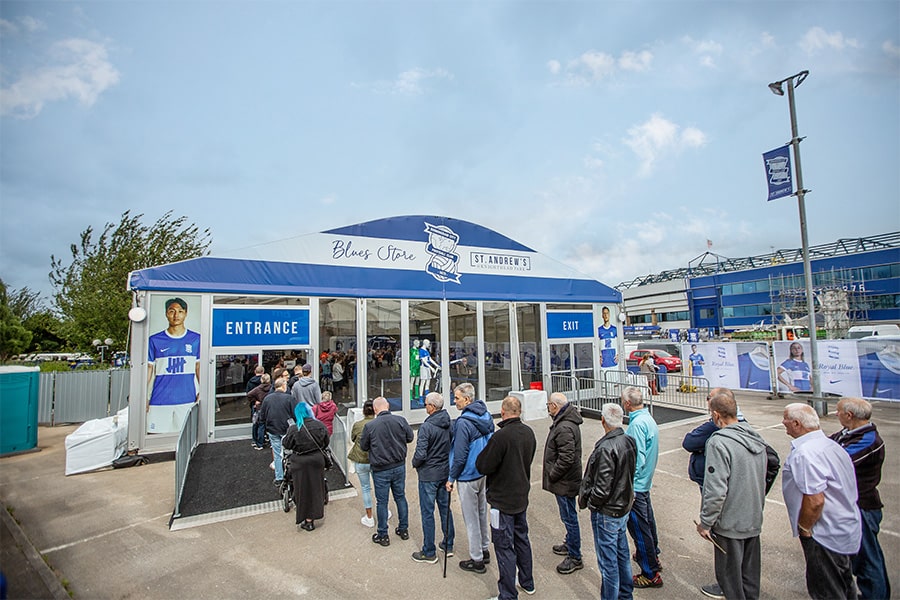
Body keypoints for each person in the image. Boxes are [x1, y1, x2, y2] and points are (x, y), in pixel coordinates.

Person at [781, 402, 861, 600]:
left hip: (824, 534)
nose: (783, 423)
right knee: (844, 584)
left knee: (827, 590)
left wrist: (805, 528)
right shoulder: (830, 445)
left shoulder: (806, 453)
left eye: (786, 419)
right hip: (843, 528)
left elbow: (815, 500)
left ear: (797, 424)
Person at [695, 389, 769, 600]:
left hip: (729, 524)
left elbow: (716, 489)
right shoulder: (756, 438)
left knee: (730, 581)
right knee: (750, 578)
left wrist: (706, 522)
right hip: (752, 519)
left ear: (716, 415)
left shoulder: (719, 442)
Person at [475, 396, 537, 599]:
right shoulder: (528, 433)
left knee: (503, 546)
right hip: (521, 496)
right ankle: (527, 582)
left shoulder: (501, 437)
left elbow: (483, 465)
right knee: (522, 539)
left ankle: (508, 594)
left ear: (503, 412)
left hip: (502, 500)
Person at [829, 398, 891, 600]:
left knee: (867, 560)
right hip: (850, 505)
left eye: (838, 411)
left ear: (849, 415)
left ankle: (875, 596)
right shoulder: (847, 434)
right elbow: (826, 445)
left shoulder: (869, 441)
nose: (835, 414)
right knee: (857, 557)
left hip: (862, 507)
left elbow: (838, 462)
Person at [579, 403, 636, 600]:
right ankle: (626, 595)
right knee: (622, 556)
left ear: (603, 420)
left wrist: (592, 504)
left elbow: (602, 487)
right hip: (622, 507)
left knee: (609, 563)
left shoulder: (606, 448)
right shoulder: (629, 441)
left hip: (608, 512)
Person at [446, 382, 495, 574]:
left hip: (468, 475)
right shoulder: (486, 415)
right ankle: (484, 548)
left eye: (457, 398)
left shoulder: (463, 423)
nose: (454, 401)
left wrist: (451, 477)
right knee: (482, 511)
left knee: (471, 517)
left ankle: (477, 559)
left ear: (467, 399)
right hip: (483, 472)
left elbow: (459, 455)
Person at [359, 396, 414, 547]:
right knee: (400, 497)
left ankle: (383, 535)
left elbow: (363, 446)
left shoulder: (370, 426)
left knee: (382, 502)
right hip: (398, 466)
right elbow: (410, 437)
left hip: (380, 469)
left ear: (375, 409)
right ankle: (403, 530)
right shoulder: (400, 421)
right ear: (388, 406)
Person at [622, 386, 663, 588]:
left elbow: (637, 458)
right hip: (644, 483)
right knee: (648, 523)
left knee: (639, 528)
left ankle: (650, 572)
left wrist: (629, 484)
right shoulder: (647, 418)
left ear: (628, 404)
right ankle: (653, 555)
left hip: (636, 485)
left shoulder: (637, 424)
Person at [542, 392, 584, 575]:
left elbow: (567, 458)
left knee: (569, 517)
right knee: (568, 515)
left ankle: (575, 556)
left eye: (548, 404)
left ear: (555, 406)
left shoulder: (565, 427)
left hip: (565, 482)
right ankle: (570, 543)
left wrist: (553, 473)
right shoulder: (565, 422)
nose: (548, 408)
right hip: (566, 480)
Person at [410, 392, 455, 564]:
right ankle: (448, 544)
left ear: (432, 407)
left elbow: (420, 454)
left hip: (428, 474)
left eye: (427, 404)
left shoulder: (426, 427)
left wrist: (415, 463)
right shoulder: (448, 423)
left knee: (427, 512)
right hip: (443, 471)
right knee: (445, 508)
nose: (425, 406)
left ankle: (429, 551)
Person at [147, 297, 201, 434]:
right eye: (172, 311)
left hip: (187, 398)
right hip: (160, 399)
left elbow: (199, 367)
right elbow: (148, 369)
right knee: (156, 436)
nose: (176, 315)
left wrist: (203, 391)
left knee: (186, 436)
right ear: (166, 313)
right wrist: (142, 396)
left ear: (186, 313)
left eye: (180, 311)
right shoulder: (154, 340)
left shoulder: (196, 339)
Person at [281, 402, 330, 531]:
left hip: (299, 462)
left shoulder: (294, 429)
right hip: (316, 460)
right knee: (316, 488)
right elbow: (325, 442)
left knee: (301, 489)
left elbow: (287, 444)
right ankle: (311, 519)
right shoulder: (319, 426)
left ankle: (304, 516)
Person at [258, 378, 294, 487]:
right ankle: (291, 475)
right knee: (290, 452)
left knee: (277, 455)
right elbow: (295, 414)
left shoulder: (267, 399)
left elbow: (262, 416)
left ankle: (279, 478)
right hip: (286, 429)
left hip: (272, 430)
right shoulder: (289, 398)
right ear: (283, 386)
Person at [348, 400, 378, 527]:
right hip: (376, 460)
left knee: (365, 488)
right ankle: (384, 511)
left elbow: (353, 438)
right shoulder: (379, 424)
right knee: (380, 487)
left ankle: (369, 516)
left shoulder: (358, 425)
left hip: (361, 460)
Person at [247, 373, 271, 450]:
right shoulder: (271, 388)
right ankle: (271, 442)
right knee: (270, 426)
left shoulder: (258, 389)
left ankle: (260, 444)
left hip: (260, 408)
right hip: (269, 408)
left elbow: (249, 394)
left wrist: (255, 401)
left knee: (261, 426)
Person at [598, 306, 619, 371]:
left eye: (607, 313)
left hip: (614, 364)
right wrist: (599, 356)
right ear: (602, 315)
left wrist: (618, 354)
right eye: (604, 313)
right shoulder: (599, 330)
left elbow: (620, 343)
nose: (606, 315)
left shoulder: (614, 329)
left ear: (609, 315)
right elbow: (596, 345)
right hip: (604, 364)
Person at [419, 339, 439, 404]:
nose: (429, 345)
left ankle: (426, 398)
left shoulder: (426, 351)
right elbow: (424, 361)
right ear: (425, 343)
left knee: (428, 383)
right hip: (423, 368)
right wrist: (431, 368)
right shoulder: (421, 351)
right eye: (428, 343)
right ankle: (421, 398)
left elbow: (429, 359)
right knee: (423, 383)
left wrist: (436, 365)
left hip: (427, 368)